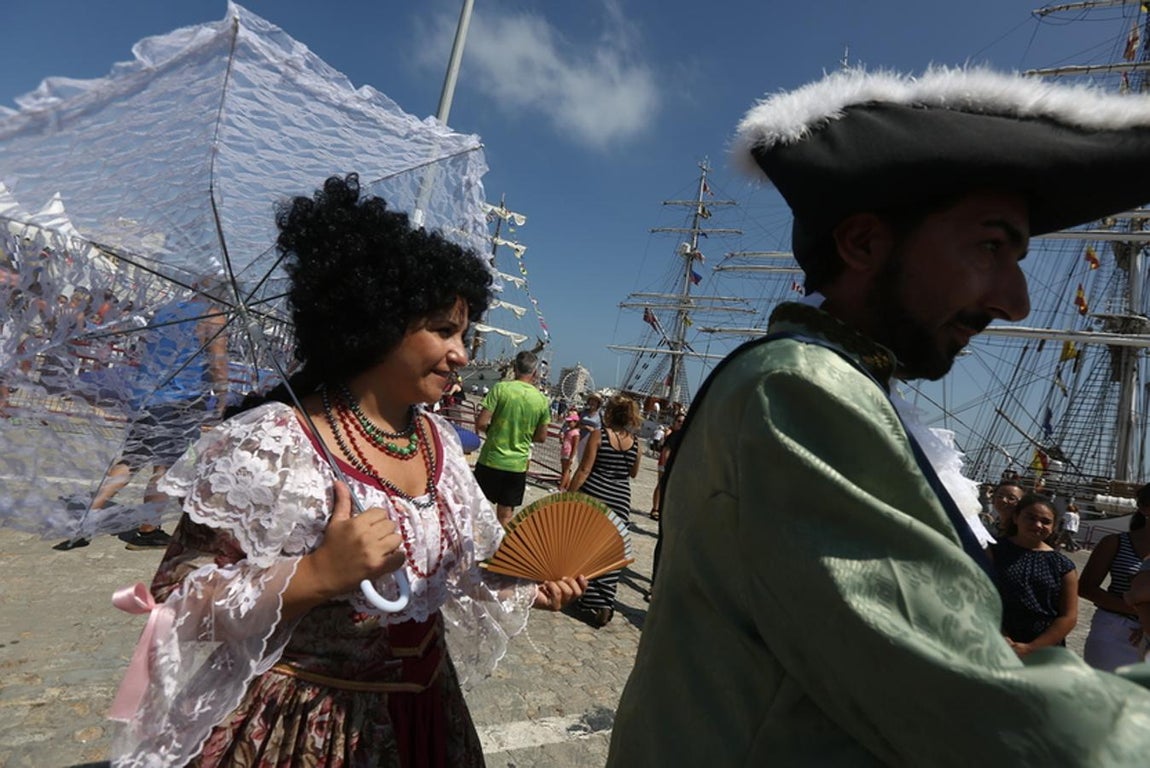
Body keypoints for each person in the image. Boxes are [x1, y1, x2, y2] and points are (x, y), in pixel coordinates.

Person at [607, 66, 1150, 766]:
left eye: (1018, 258)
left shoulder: (835, 385)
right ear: (863, 244)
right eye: (990, 246)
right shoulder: (800, 391)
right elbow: (988, 719)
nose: (1017, 300)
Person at [107, 174, 585, 767]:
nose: (462, 353)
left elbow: (461, 569)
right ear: (379, 321)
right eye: (443, 329)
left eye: (466, 333)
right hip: (305, 726)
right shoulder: (275, 442)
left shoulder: (438, 441)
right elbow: (175, 598)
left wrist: (525, 585)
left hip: (426, 718)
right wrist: (315, 575)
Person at [53, 277, 230, 551]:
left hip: (146, 395)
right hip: (181, 401)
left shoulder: (166, 311)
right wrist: (222, 399)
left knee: (131, 460)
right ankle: (148, 530)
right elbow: (218, 363)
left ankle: (85, 521)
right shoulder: (213, 316)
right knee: (165, 467)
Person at [567, 393, 641, 627]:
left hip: (596, 495)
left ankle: (584, 594)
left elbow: (585, 470)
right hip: (620, 499)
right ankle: (605, 601)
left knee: (586, 545)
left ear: (609, 413)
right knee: (610, 550)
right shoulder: (636, 444)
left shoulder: (600, 435)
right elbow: (633, 473)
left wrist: (569, 494)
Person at [988, 494, 1078, 656]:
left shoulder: (1063, 566)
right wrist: (1000, 634)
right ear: (1016, 518)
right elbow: (978, 594)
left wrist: (1031, 648)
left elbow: (1068, 616)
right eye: (1030, 518)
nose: (1037, 525)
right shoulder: (993, 551)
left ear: (1053, 527)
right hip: (993, 637)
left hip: (1043, 648)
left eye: (1046, 522)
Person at [473, 349, 551, 526]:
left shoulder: (501, 389)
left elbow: (481, 422)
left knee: (478, 511)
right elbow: (541, 437)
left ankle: (474, 551)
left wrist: (496, 432)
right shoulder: (541, 400)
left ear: (515, 368)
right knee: (506, 516)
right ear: (535, 373)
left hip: (491, 460)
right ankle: (497, 551)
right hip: (517, 465)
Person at [1079, 483, 1150, 671]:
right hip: (1116, 631)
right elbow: (1086, 588)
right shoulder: (1115, 543)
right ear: (1144, 508)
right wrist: (1141, 614)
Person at [648, 411, 685, 522]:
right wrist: (665, 465)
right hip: (665, 464)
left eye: (683, 422)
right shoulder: (674, 435)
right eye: (679, 421)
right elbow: (666, 451)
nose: (681, 424)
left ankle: (660, 509)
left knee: (665, 487)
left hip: (672, 465)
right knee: (661, 485)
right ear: (674, 422)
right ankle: (655, 508)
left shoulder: (681, 436)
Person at [557, 407, 581, 490]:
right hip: (565, 451)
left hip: (569, 453)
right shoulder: (568, 431)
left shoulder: (576, 433)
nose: (568, 423)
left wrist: (571, 457)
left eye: (570, 421)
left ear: (576, 422)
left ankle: (560, 487)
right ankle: (566, 486)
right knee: (564, 470)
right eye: (568, 421)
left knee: (566, 470)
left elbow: (575, 446)